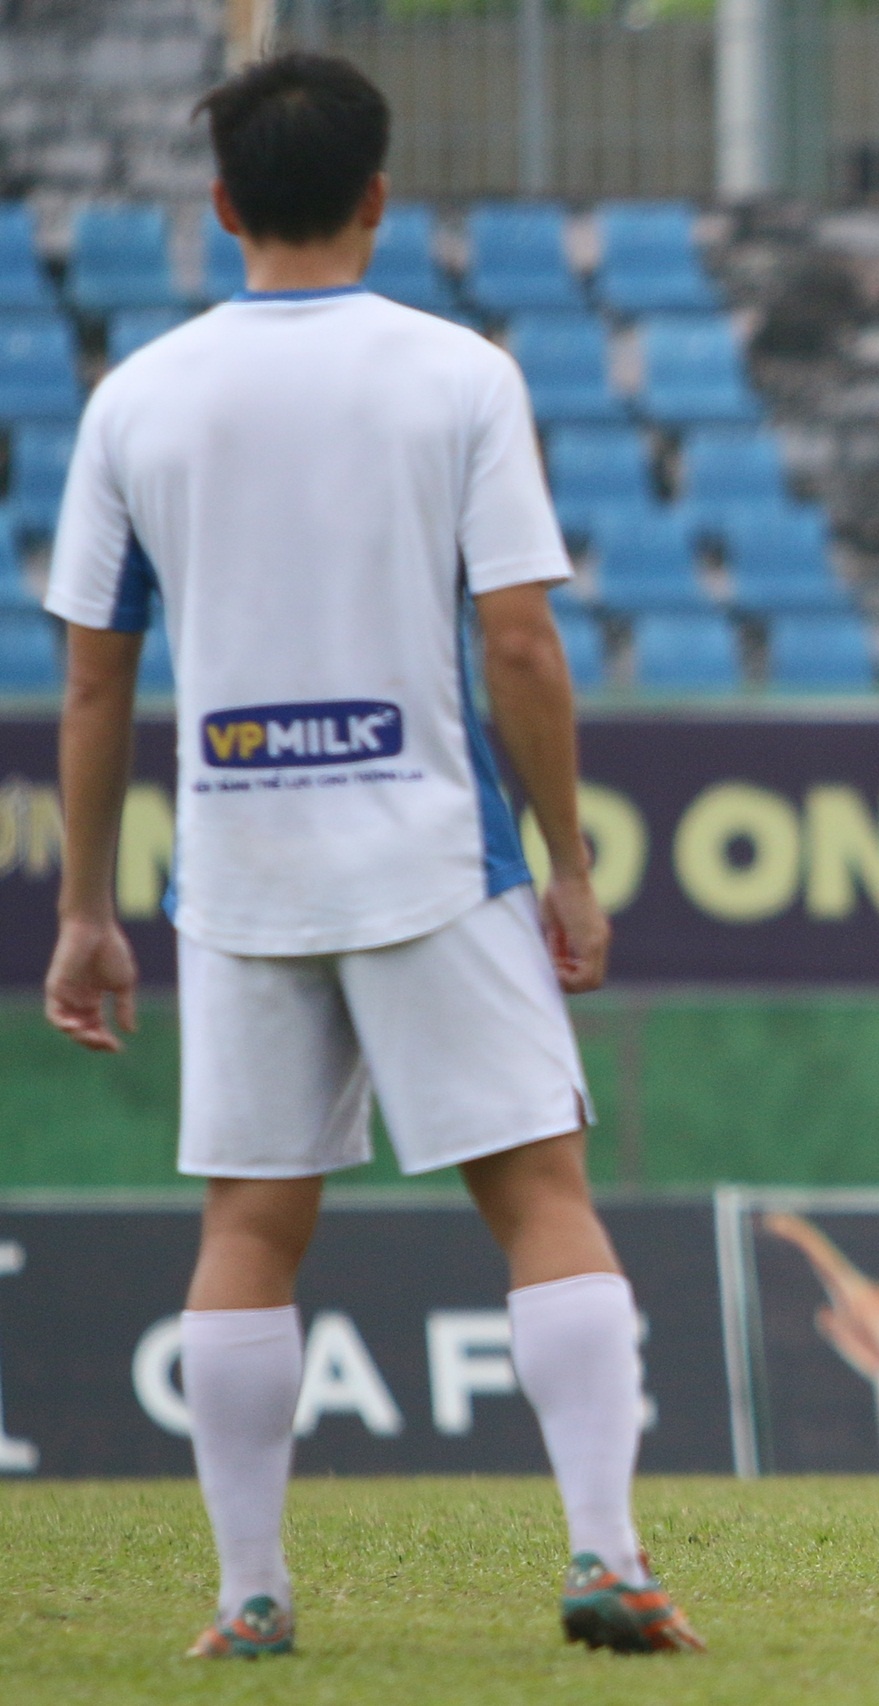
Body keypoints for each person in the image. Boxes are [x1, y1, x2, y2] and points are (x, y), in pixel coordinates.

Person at [41, 53, 703, 1658]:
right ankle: (606, 1558)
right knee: (542, 1193)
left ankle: (249, 1593)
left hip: (242, 870)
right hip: (428, 850)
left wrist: (84, 909)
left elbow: (89, 674)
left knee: (248, 1228)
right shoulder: (455, 374)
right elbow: (524, 644)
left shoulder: (137, 397)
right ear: (380, 199)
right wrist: (568, 861)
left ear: (220, 209)